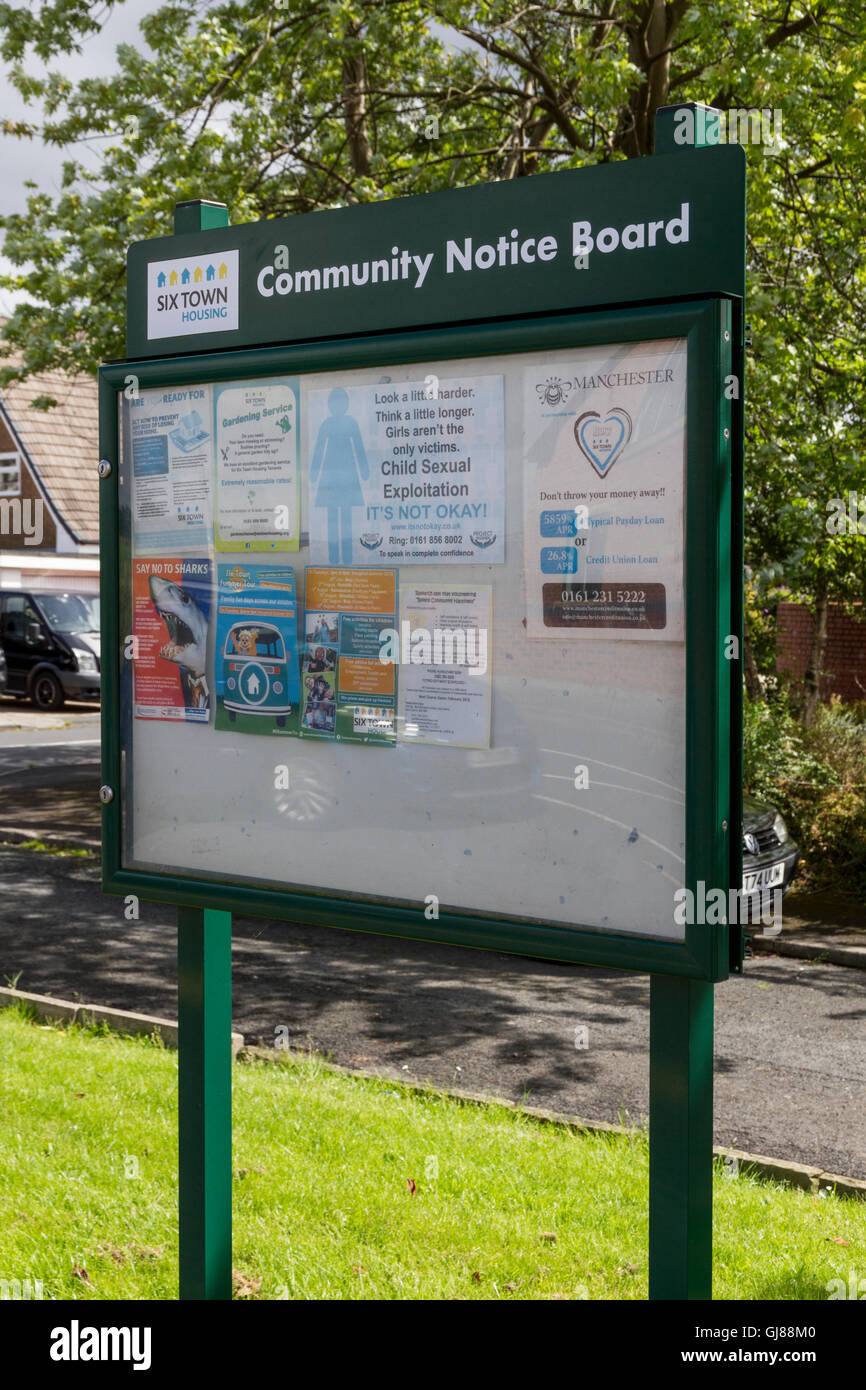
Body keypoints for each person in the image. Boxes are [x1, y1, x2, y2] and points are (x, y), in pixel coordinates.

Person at [309, 387, 369, 563]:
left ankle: (348, 558)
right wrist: (314, 472)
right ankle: (334, 558)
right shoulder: (326, 424)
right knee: (332, 519)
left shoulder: (351, 423)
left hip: (347, 476)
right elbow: (319, 449)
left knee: (347, 519)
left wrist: (364, 469)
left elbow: (358, 446)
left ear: (347, 404)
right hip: (331, 476)